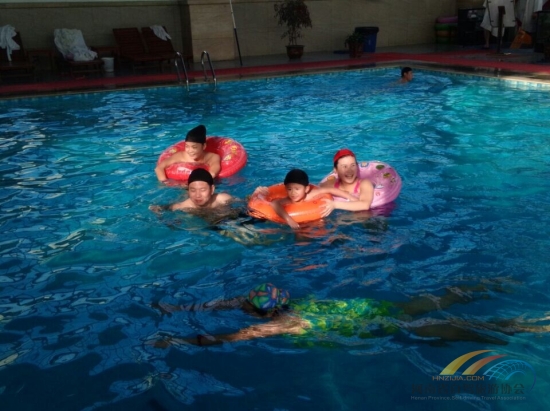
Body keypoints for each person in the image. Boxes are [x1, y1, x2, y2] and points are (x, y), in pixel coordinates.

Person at [148, 283, 549, 348]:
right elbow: (236, 301)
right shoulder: (288, 305)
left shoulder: (280, 325)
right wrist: (181, 308)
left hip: (379, 327)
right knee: (436, 300)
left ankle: (529, 327)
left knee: (456, 330)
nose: (240, 305)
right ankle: (497, 285)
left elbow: (227, 339)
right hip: (373, 309)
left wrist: (177, 339)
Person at [253, 169, 357, 229]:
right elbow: (274, 204)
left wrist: (350, 197)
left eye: (297, 189)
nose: (293, 193)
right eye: (289, 189)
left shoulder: (311, 194)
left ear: (306, 189)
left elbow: (330, 189)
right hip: (294, 223)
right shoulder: (288, 200)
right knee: (300, 235)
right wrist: (289, 220)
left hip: (311, 220)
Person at [155, 125, 221, 182]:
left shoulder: (212, 157)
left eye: (194, 147)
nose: (190, 151)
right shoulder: (181, 156)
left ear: (204, 146)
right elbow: (159, 168)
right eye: (187, 146)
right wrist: (165, 182)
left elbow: (213, 172)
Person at [149, 168, 232, 213]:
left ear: (212, 189)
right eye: (193, 190)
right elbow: (162, 208)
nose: (198, 195)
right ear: (188, 190)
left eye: (202, 190)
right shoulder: (185, 206)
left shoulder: (223, 199)